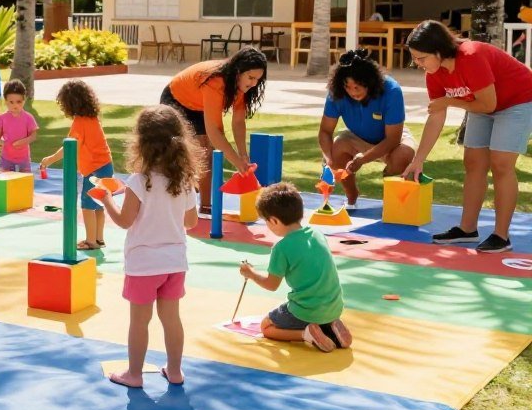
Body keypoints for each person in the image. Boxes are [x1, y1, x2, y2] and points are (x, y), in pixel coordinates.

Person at [404, 19, 532, 253]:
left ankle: (501, 236)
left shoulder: (471, 56)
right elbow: (436, 116)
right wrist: (418, 159)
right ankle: (467, 229)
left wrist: (451, 100)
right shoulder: (434, 73)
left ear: (439, 51)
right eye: (415, 58)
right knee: (473, 163)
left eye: (421, 58)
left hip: (517, 101)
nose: (417, 63)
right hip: (481, 104)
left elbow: (488, 103)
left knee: (501, 164)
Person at [99, 105, 203, 388]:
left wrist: (107, 198)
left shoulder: (138, 181)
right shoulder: (184, 181)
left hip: (144, 264)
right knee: (172, 319)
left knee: (139, 321)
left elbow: (123, 221)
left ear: (141, 144)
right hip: (174, 262)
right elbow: (191, 222)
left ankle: (134, 374)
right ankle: (175, 370)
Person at [238, 182, 352, 352]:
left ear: (274, 220)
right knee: (315, 309)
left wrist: (251, 273)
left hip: (306, 311)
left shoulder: (282, 247)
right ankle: (330, 328)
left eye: (266, 222)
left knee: (266, 327)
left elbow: (271, 285)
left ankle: (306, 334)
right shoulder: (317, 234)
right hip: (334, 306)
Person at [160, 48, 267, 213]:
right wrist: (237, 163)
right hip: (176, 99)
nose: (254, 84)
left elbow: (238, 122)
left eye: (257, 80)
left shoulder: (242, 86)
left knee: (207, 152)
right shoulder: (216, 82)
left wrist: (243, 155)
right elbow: (215, 131)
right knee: (202, 150)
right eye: (251, 78)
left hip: (199, 105)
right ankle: (201, 204)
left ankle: (205, 206)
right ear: (238, 71)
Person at [319, 49, 416, 206]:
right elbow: (325, 131)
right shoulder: (336, 93)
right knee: (336, 149)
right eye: (348, 87)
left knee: (403, 154)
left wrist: (363, 159)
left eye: (357, 87)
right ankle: (352, 196)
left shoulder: (391, 90)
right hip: (357, 137)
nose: (352, 92)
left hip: (391, 139)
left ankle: (392, 199)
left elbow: (393, 139)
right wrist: (328, 159)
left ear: (370, 81)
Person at [40, 80, 113, 250]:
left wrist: (50, 159)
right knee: (99, 204)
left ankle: (91, 241)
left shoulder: (80, 122)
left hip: (95, 170)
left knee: (87, 205)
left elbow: (70, 147)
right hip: (106, 165)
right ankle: (99, 238)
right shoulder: (92, 118)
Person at [0, 78, 38, 172]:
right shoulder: (2, 119)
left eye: (18, 102)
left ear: (24, 100)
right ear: (5, 101)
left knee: (24, 182)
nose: (15, 105)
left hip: (23, 159)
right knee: (5, 183)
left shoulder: (28, 118)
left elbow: (33, 136)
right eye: (11, 102)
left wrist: (23, 141)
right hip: (6, 159)